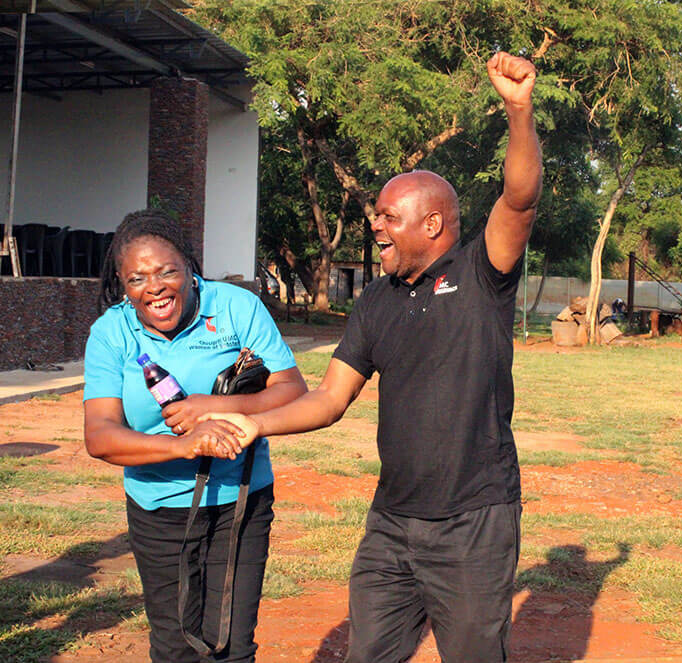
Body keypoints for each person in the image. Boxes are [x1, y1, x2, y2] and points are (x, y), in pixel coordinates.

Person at [202, 51, 542, 662]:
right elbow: (329, 399)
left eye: (389, 216)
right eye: (376, 214)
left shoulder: (481, 273)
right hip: (391, 523)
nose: (376, 225)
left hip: (471, 523)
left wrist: (519, 111)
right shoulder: (376, 302)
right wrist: (255, 421)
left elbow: (518, 201)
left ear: (433, 223)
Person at [82, 209, 307, 663]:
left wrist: (215, 406)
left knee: (232, 646)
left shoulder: (235, 307)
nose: (155, 288)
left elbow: (292, 390)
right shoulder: (111, 332)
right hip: (158, 508)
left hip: (239, 502)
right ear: (122, 285)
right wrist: (181, 445)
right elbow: (100, 436)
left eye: (168, 271)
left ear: (189, 266)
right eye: (137, 279)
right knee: (175, 647)